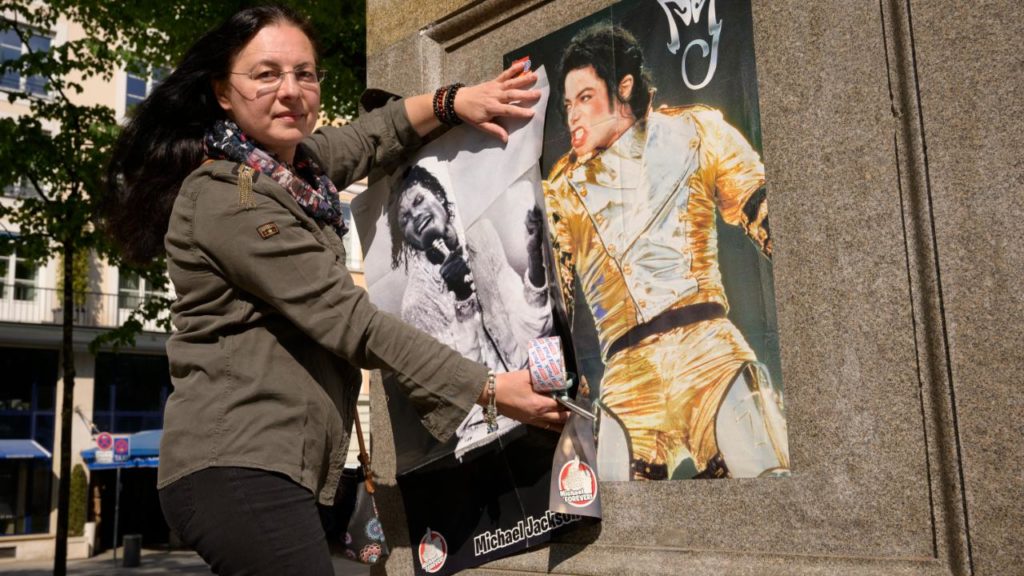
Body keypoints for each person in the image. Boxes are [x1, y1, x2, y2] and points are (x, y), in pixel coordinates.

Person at [103, 6, 567, 575]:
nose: (291, 91)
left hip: (274, 468)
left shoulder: (296, 172)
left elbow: (369, 137)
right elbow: (352, 322)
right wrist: (490, 389)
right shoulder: (230, 196)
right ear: (224, 92)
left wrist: (454, 101)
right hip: (238, 467)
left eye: (306, 73)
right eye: (266, 74)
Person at [543, 24, 789, 480]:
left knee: (765, 477)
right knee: (620, 519)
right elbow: (548, 296)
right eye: (567, 104)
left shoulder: (697, 130)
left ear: (624, 87)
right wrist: (555, 380)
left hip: (710, 351)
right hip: (626, 377)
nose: (572, 115)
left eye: (585, 98)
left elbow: (767, 212)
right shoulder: (560, 189)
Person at [387, 164, 553, 456]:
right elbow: (458, 389)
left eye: (418, 201)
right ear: (408, 239)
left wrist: (533, 257)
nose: (416, 216)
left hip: (537, 401)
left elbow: (531, 326)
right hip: (486, 433)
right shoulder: (415, 302)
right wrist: (462, 300)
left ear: (439, 195)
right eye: (405, 219)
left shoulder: (480, 236)